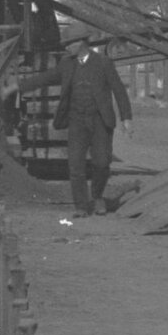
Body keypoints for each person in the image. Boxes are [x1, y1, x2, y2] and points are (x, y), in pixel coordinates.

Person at [52, 36, 133, 215]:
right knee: (75, 165)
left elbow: (118, 89)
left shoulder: (103, 63)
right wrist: (17, 86)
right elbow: (46, 77)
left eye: (69, 43)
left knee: (102, 163)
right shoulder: (67, 64)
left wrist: (126, 118)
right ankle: (81, 206)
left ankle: (97, 197)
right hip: (76, 120)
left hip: (100, 120)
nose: (66, 48)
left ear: (80, 44)